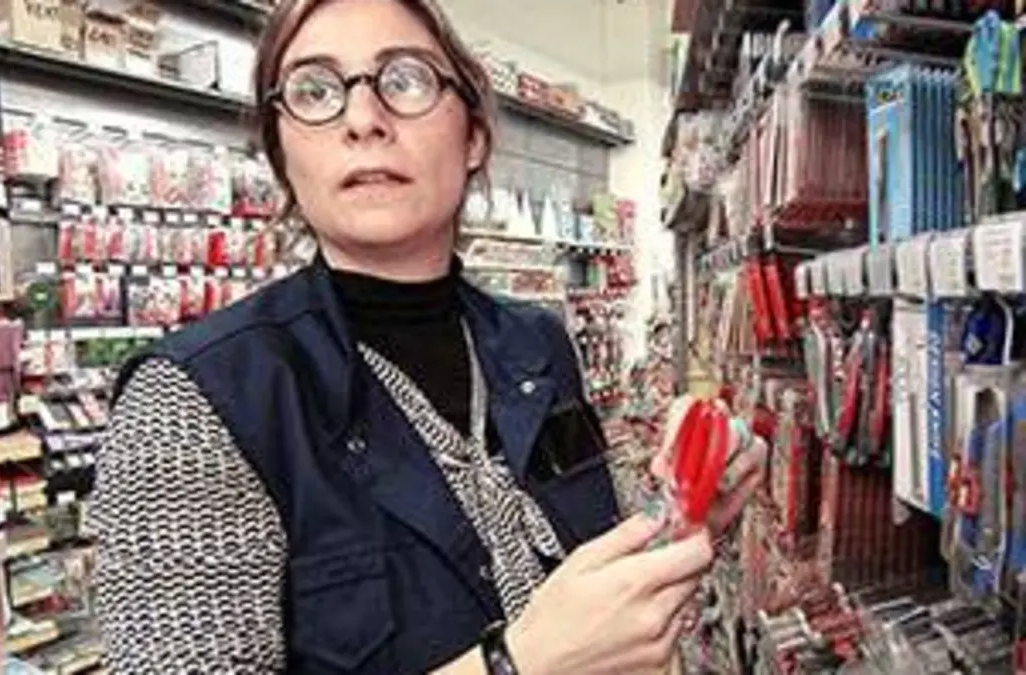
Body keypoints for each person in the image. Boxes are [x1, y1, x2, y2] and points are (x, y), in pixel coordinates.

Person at [89, 0, 766, 673]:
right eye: (314, 91)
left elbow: (592, 576)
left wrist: (684, 507)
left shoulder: (538, 344)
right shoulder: (194, 402)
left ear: (474, 135)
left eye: (406, 79)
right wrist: (514, 665)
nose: (362, 118)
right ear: (281, 153)